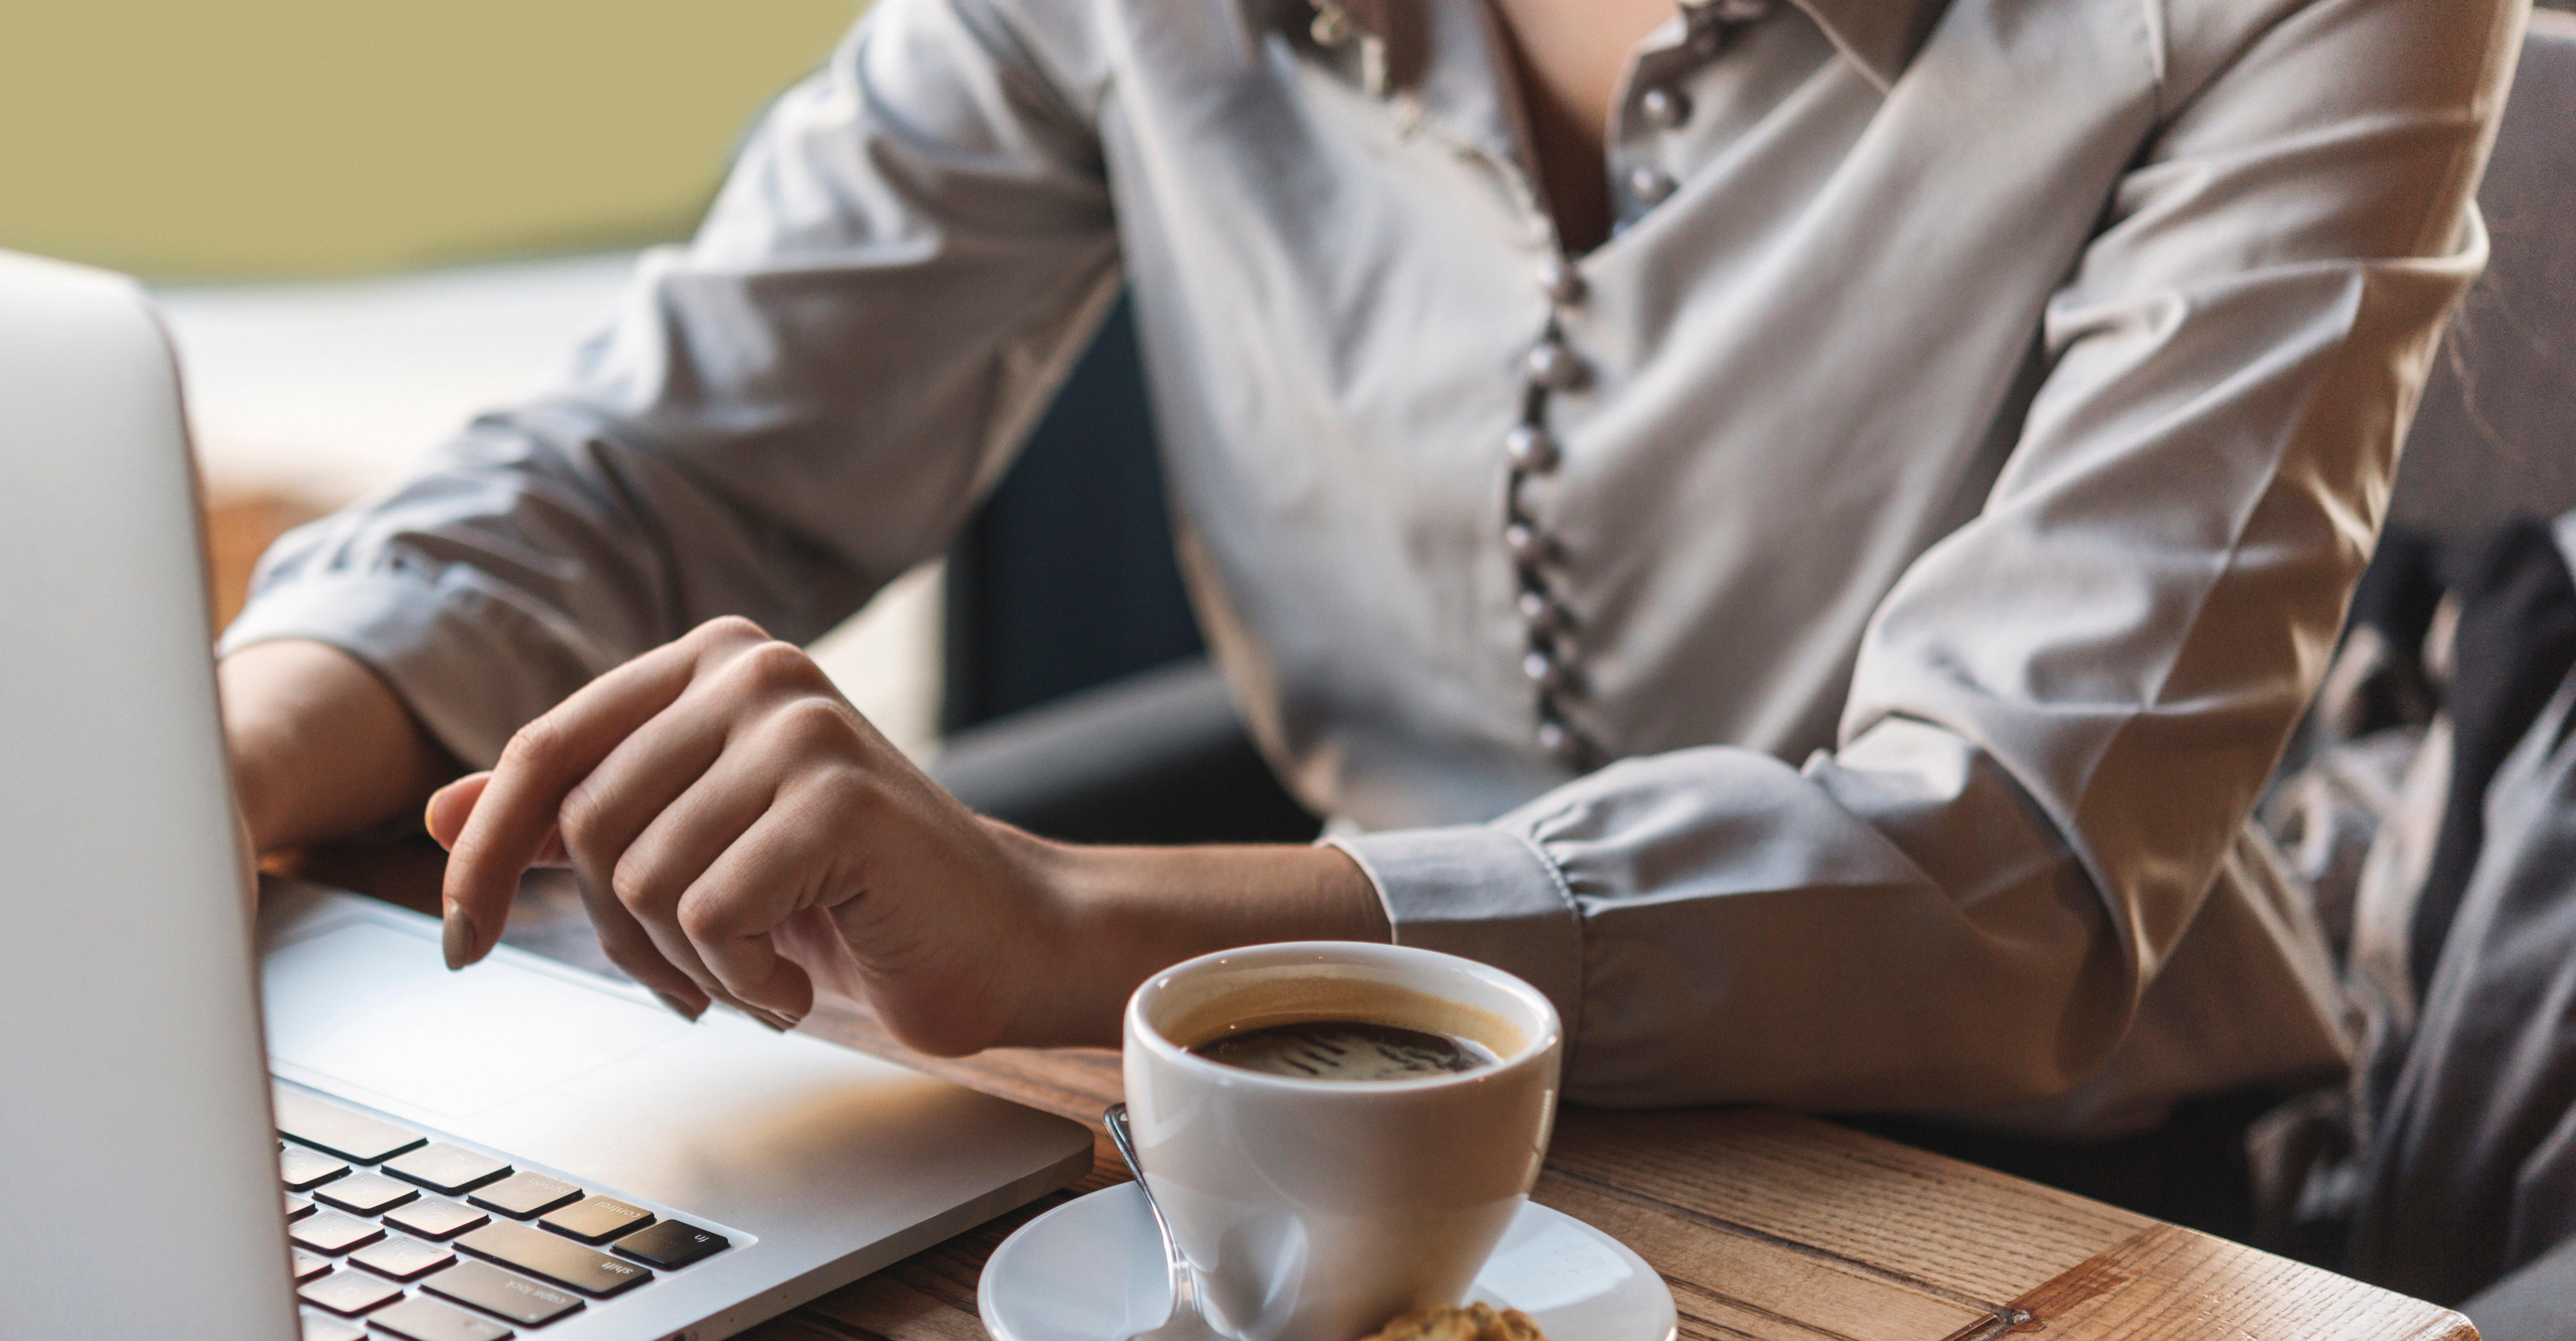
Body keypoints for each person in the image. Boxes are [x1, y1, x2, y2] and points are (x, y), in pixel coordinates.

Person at [220, 0, 2524, 1136]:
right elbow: (667, 449)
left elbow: (2006, 866)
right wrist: (216, 762)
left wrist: (1080, 933)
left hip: (2043, 1199)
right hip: (1310, 1127)